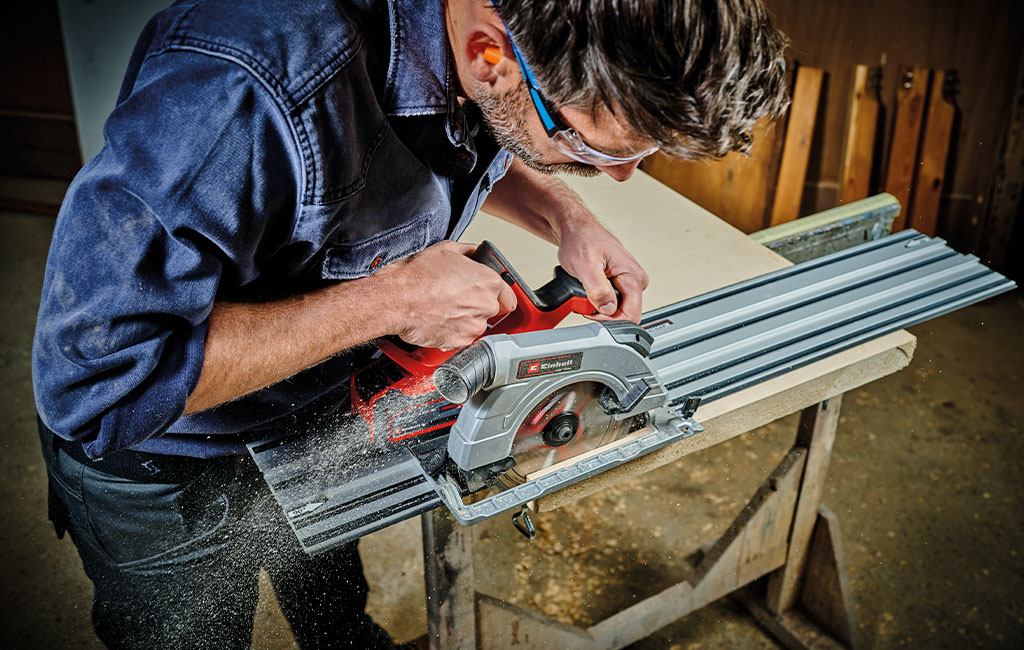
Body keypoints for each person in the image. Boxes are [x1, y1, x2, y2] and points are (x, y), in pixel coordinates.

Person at [32, 0, 789, 647]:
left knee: (328, 580)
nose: (620, 174)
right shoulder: (241, 90)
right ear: (489, 54)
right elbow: (96, 381)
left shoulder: (479, 45)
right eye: (590, 149)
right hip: (165, 459)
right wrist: (391, 302)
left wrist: (568, 212)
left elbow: (474, 133)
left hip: (318, 401)